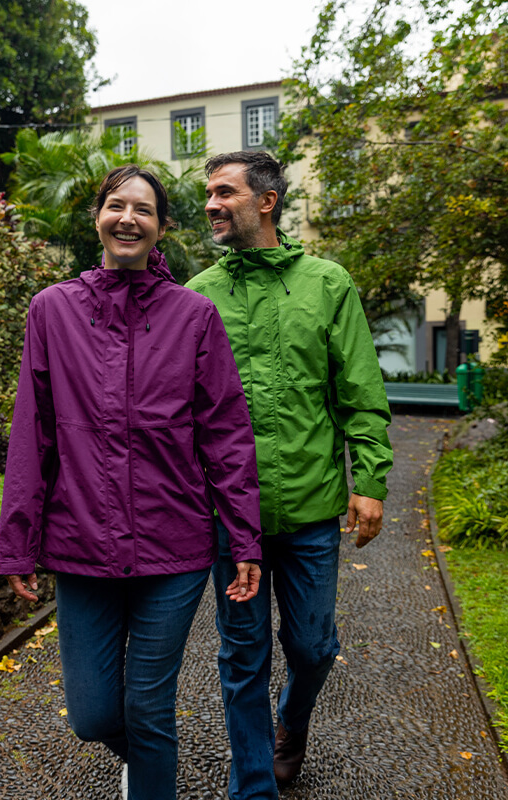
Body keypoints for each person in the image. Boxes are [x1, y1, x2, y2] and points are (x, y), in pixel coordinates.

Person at [0, 164, 263, 800]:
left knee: (148, 709)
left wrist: (245, 540)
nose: (128, 218)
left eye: (144, 210)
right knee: (93, 717)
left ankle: (149, 777)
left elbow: (225, 435)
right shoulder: (52, 311)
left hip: (172, 548)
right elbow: (32, 434)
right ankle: (146, 763)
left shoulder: (193, 317)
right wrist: (18, 542)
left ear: (161, 228)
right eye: (117, 205)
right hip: (80, 543)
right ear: (98, 218)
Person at [186, 151, 393, 799]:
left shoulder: (327, 284)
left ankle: (291, 722)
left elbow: (359, 388)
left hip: (308, 510)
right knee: (241, 655)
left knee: (311, 648)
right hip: (229, 519)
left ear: (266, 201)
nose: (213, 204)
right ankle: (253, 782)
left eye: (225, 192)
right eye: (208, 194)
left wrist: (371, 480)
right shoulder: (196, 297)